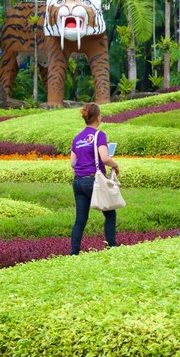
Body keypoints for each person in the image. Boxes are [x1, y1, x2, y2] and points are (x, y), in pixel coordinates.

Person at [70, 103, 121, 255]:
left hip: (78, 182)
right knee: (110, 213)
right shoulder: (99, 135)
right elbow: (105, 158)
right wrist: (116, 165)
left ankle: (73, 253)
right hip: (93, 181)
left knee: (80, 219)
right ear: (98, 117)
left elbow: (72, 163)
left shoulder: (77, 138)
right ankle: (112, 248)